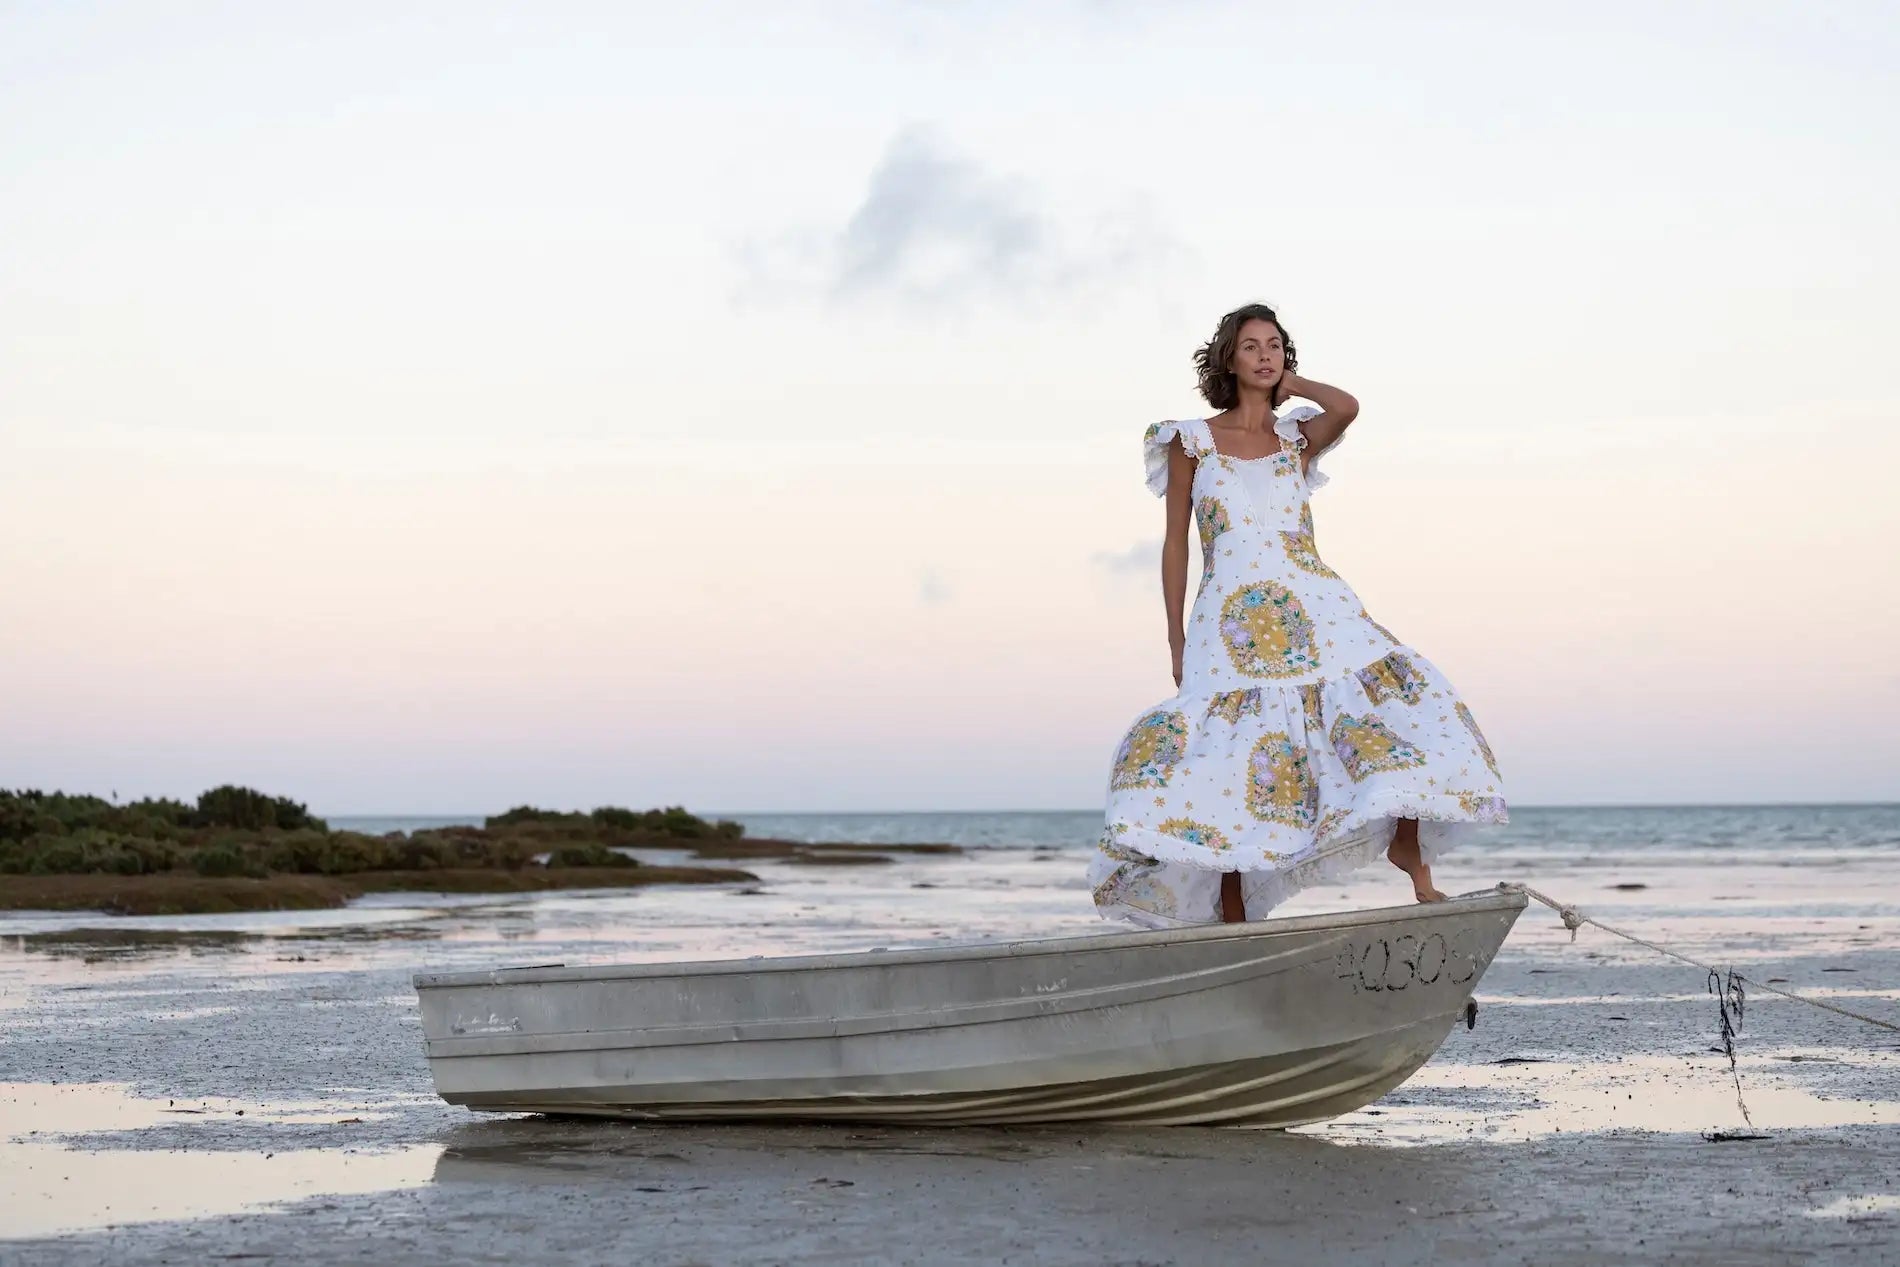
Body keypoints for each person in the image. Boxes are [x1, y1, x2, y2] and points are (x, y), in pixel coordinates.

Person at [1090, 302, 1507, 928]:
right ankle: (1231, 904)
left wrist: (1294, 388)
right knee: (1231, 750)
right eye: (1252, 346)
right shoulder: (1190, 441)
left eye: (1276, 346)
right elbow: (1176, 542)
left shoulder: (1295, 439)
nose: (1265, 355)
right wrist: (1175, 636)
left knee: (1391, 699)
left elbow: (1348, 406)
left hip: (1313, 600)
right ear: (1228, 357)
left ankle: (1412, 854)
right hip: (1230, 614)